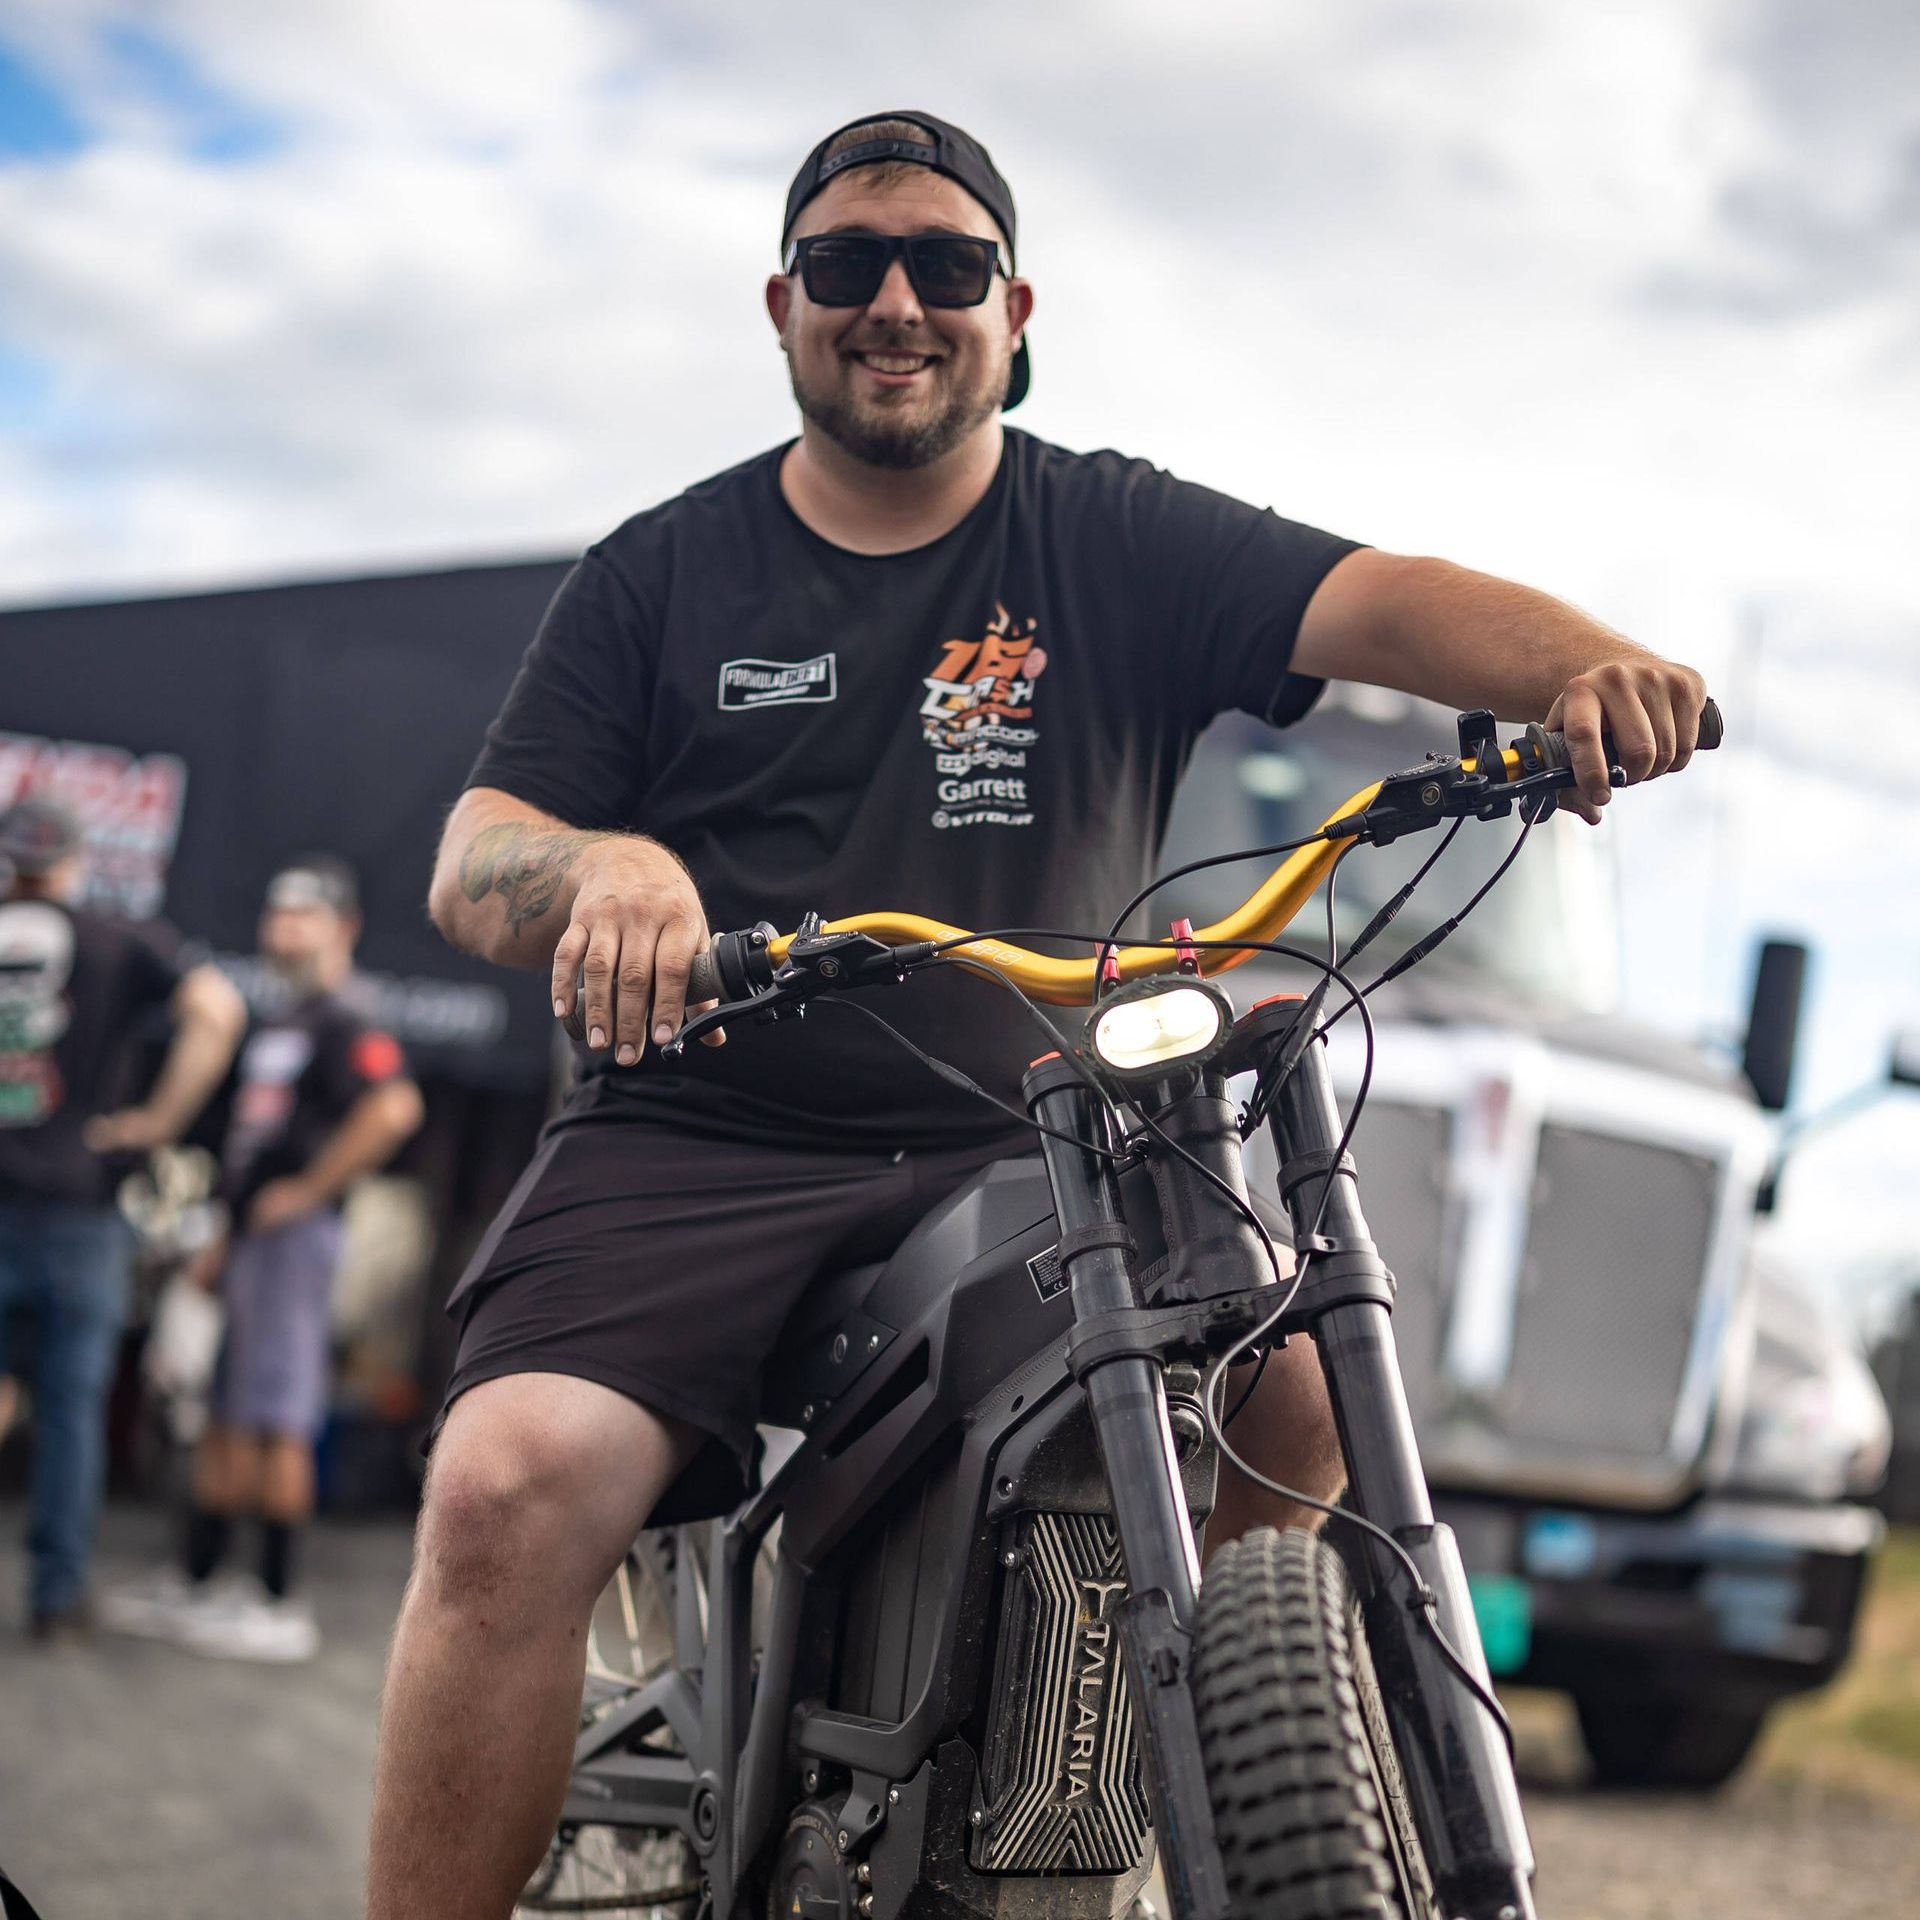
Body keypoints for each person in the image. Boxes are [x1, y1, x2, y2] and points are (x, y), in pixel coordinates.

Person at [370, 112, 1710, 1918]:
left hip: (1038, 1140)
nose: (895, 301)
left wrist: (1580, 664)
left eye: (945, 264)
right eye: (847, 265)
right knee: (508, 1487)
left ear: (1013, 311)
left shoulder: (1112, 535)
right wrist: (601, 866)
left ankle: (1144, 1793)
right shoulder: (661, 570)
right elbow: (476, 858)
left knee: (1296, 1391)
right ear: (782, 305)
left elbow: (1384, 602)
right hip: (701, 1127)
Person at [100, 857, 423, 1661]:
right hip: (251, 1240)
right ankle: (202, 1580)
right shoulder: (289, 1018)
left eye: (304, 915)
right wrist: (226, 1234)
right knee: (228, 1410)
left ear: (344, 927)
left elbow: (394, 1109)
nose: (285, 929)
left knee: (275, 1415)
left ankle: (276, 1601)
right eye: (277, 913)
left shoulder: (347, 1014)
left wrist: (309, 1192)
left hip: (294, 1245)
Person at [0, 795, 245, 1641]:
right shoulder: (118, 938)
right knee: (71, 1412)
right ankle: (55, 1597)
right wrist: (157, 1124)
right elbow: (219, 1012)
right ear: (72, 860)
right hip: (80, 1205)